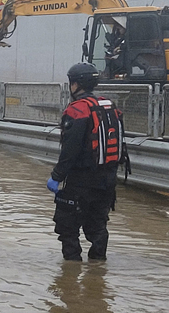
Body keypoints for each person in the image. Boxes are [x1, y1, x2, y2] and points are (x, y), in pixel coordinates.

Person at [47, 63, 128, 261]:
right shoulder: (109, 107)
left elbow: (70, 149)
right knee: (98, 227)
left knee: (67, 227)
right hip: (108, 180)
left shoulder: (77, 110)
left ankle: (71, 277)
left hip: (81, 181)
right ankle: (97, 272)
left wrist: (57, 176)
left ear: (75, 84)